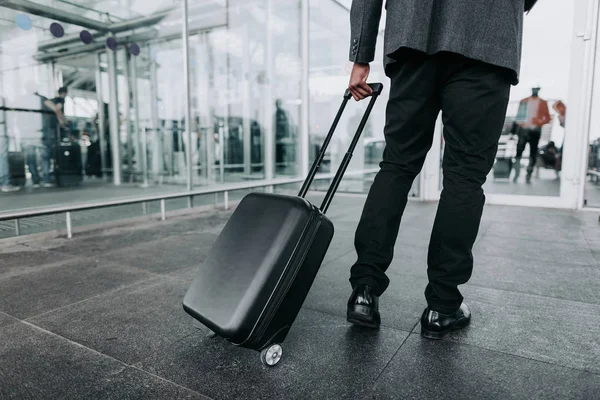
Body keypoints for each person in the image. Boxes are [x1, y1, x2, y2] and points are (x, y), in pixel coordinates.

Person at [345, 0, 536, 339]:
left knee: (397, 165)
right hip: (486, 42)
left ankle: (364, 290)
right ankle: (442, 306)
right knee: (465, 175)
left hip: (414, 34)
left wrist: (362, 55)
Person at [28, 86, 68, 187]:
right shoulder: (50, 99)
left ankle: (36, 180)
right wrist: (62, 121)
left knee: (31, 156)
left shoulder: (25, 100)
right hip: (47, 129)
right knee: (46, 154)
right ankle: (46, 179)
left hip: (30, 130)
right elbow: (56, 109)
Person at [513, 87, 552, 183]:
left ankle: (528, 174)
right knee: (519, 152)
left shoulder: (543, 102)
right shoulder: (524, 101)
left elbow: (547, 118)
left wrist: (538, 123)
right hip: (523, 130)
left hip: (535, 131)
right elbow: (518, 116)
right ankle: (516, 174)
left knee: (533, 153)